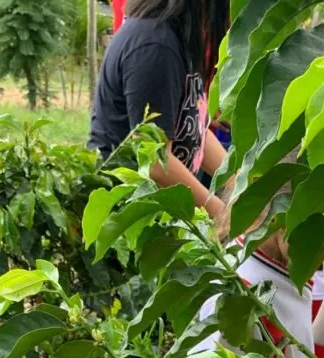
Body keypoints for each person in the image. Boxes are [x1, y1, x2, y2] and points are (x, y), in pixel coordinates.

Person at [88, 0, 231, 229]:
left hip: (159, 214)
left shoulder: (178, 38)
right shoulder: (155, 44)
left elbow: (195, 131)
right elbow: (155, 162)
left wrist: (240, 183)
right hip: (126, 220)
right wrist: (222, 215)